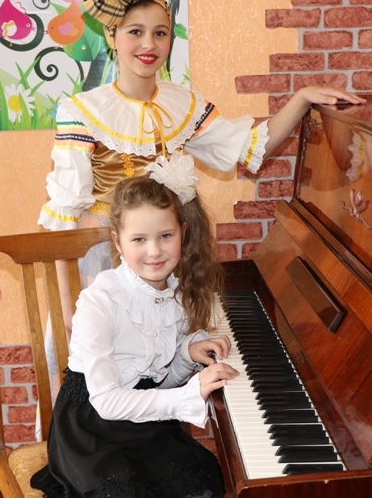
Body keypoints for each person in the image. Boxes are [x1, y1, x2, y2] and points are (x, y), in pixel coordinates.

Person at [37, 0, 366, 345]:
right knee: (112, 366)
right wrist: (67, 307)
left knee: (173, 356)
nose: (149, 44)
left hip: (169, 256)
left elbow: (249, 147)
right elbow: (62, 219)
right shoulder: (83, 111)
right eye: (135, 32)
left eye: (160, 33)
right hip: (105, 260)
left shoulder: (183, 104)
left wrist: (302, 98)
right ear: (112, 36)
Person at [31, 162, 239, 498]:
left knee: (203, 478)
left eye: (165, 236)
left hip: (142, 422)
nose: (154, 251)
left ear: (183, 233)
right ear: (118, 241)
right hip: (91, 428)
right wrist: (189, 394)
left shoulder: (175, 295)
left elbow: (158, 381)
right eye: (139, 239)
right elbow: (107, 402)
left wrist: (185, 355)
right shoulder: (100, 301)